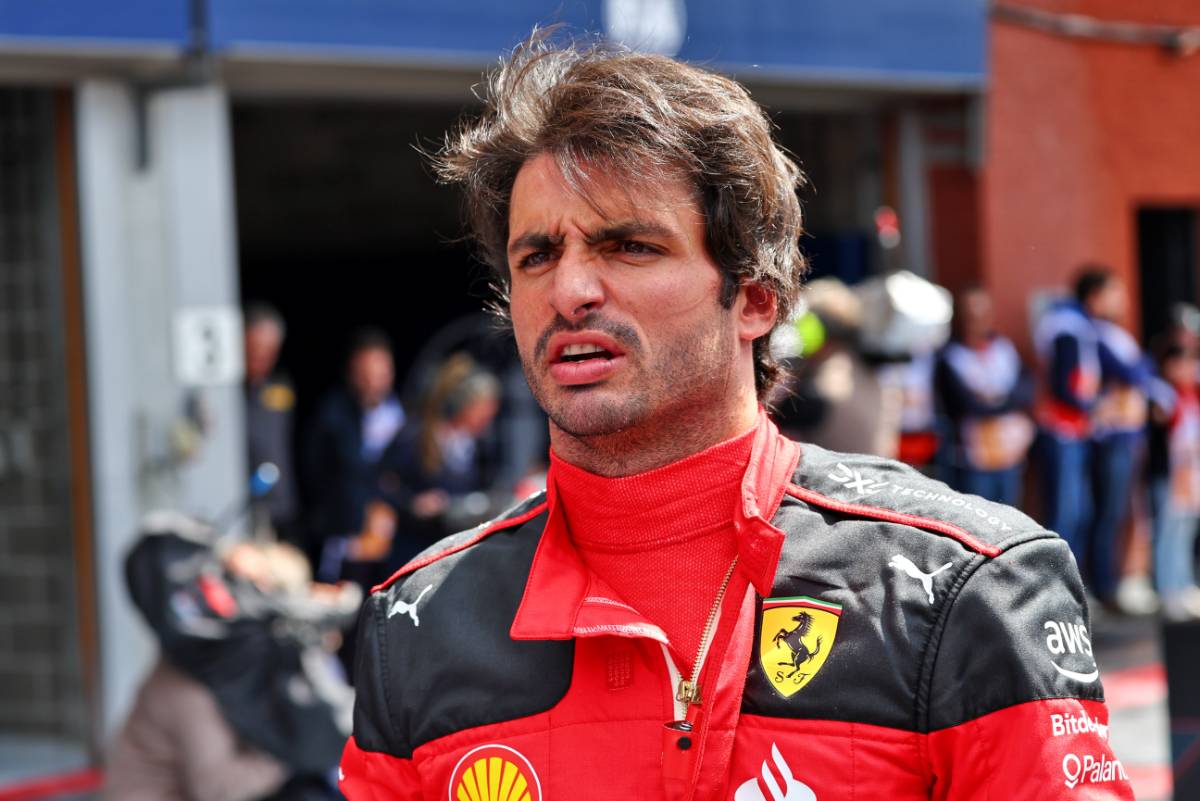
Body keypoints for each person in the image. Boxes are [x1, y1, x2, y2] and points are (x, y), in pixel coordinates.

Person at [340, 33, 1131, 800]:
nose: (571, 289)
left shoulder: (968, 585)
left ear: (755, 299)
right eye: (537, 256)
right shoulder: (415, 623)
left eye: (629, 246)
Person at [302, 329, 407, 581]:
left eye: (380, 374)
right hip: (345, 534)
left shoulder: (401, 416)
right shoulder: (333, 415)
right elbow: (316, 471)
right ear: (352, 373)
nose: (373, 383)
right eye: (365, 375)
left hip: (393, 538)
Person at [934, 286, 1034, 505]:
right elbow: (967, 404)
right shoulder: (950, 357)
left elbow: (1026, 390)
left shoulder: (1004, 348)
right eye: (970, 313)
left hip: (1009, 455)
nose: (977, 319)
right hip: (973, 459)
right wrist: (1002, 401)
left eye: (982, 312)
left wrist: (994, 400)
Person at [1148, 342, 1200, 620]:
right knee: (1168, 533)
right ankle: (1168, 590)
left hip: (1191, 476)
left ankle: (1185, 584)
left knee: (1186, 532)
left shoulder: (1192, 395)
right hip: (1170, 475)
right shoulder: (1163, 395)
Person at [243, 303, 300, 543]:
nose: (261, 358)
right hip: (246, 512)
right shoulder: (226, 395)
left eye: (269, 351)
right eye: (255, 349)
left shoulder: (281, 388)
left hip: (283, 508)